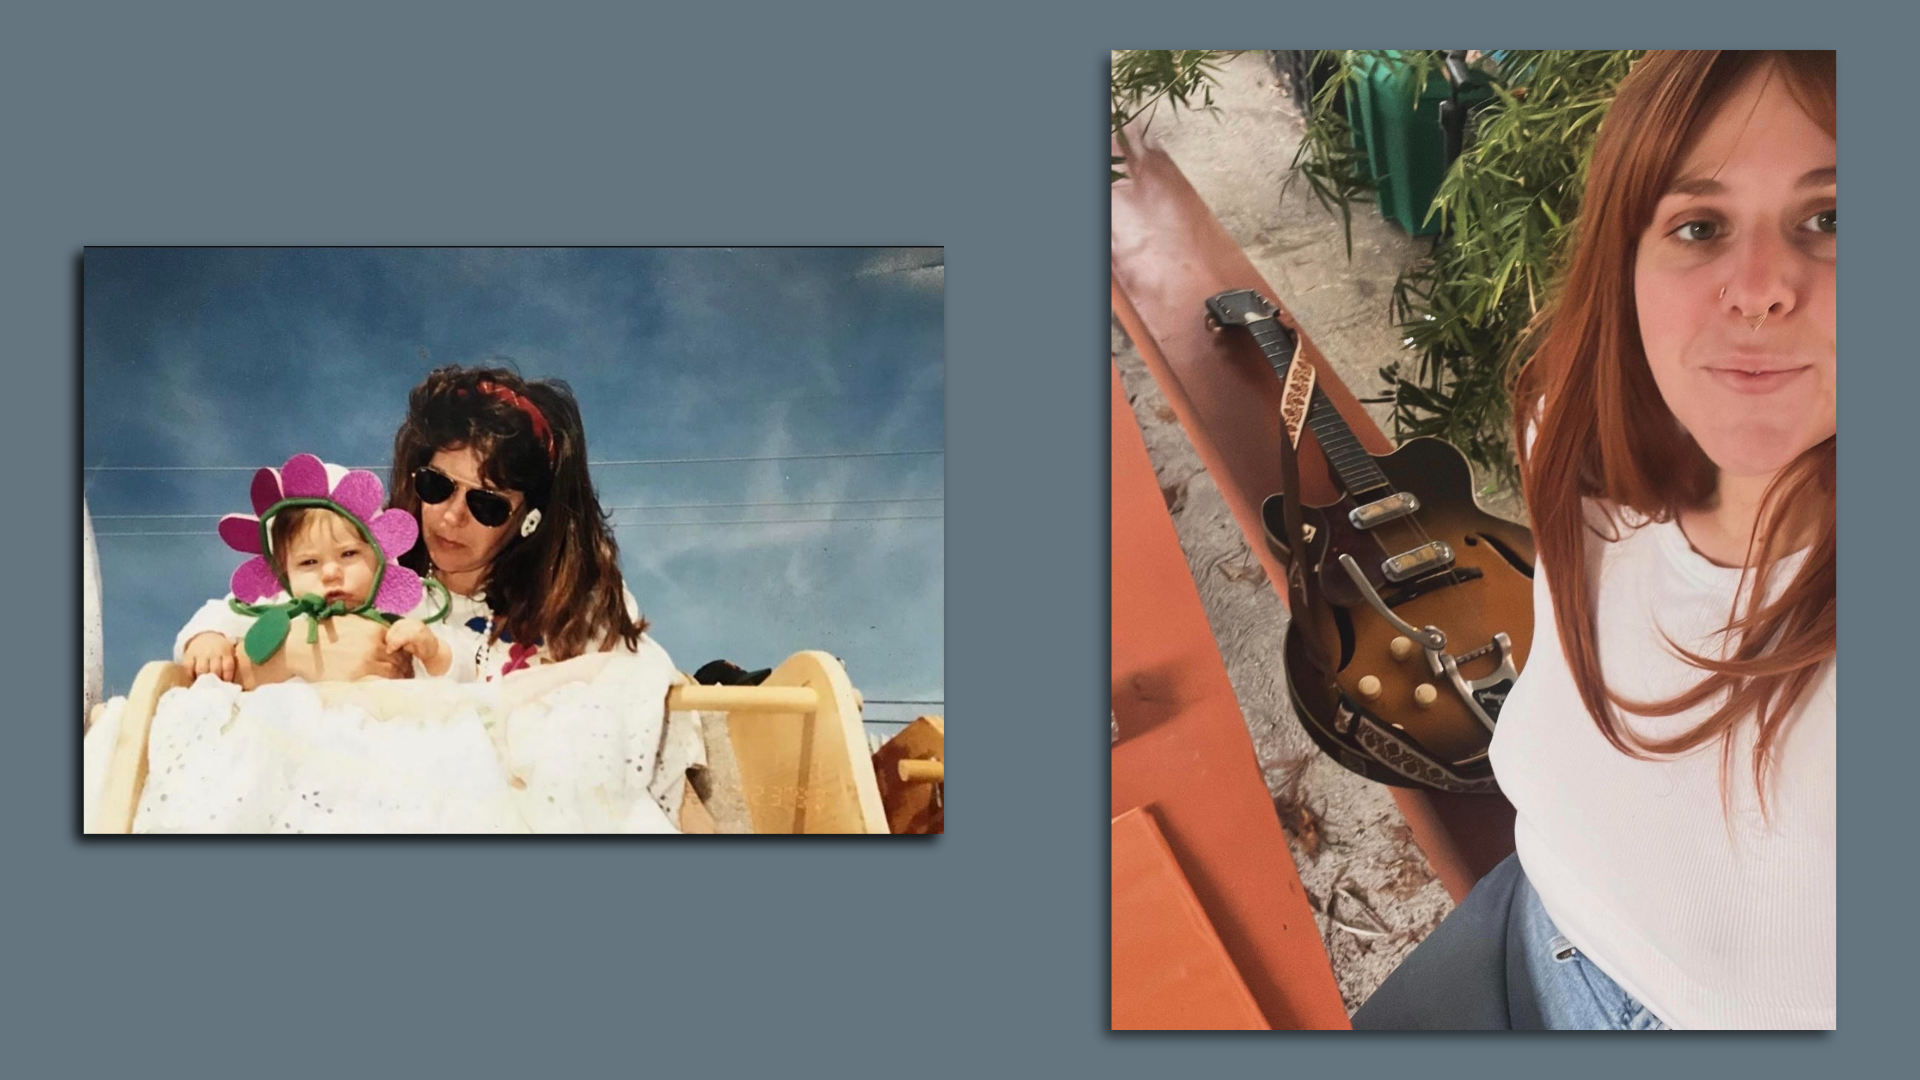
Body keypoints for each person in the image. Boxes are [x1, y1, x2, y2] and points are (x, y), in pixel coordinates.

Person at [1352, 51, 1834, 1030]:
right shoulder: (1575, 446)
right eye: (1698, 226)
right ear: (1625, 269)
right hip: (1529, 920)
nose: (1760, 288)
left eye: (1834, 219)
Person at [386, 364, 663, 681]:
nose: (452, 516)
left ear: (530, 519)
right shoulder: (363, 574)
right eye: (437, 485)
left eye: (487, 505)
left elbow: (634, 692)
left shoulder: (575, 612)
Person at [175, 453, 464, 684]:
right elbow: (219, 614)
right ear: (284, 571)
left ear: (380, 558)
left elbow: (460, 670)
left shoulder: (401, 615)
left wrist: (435, 654)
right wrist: (205, 639)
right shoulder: (277, 604)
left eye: (348, 554)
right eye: (309, 562)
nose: (330, 573)